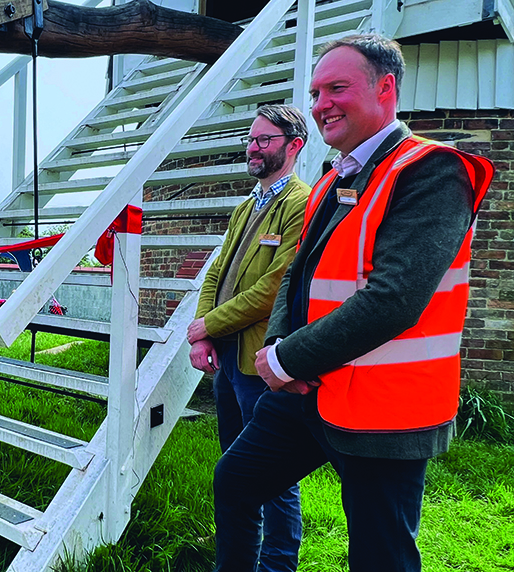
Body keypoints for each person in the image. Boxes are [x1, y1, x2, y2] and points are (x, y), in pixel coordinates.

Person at [212, 35, 494, 572]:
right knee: (237, 480)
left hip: (385, 407)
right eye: (316, 92)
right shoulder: (330, 177)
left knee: (379, 552)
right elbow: (298, 275)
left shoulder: (433, 171)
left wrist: (286, 358)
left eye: (336, 88)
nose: (321, 104)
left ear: (385, 88)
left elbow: (394, 300)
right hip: (310, 391)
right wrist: (278, 346)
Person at [187, 104, 310, 572]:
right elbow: (217, 272)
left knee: (274, 475)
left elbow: (275, 287)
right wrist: (202, 334)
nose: (253, 148)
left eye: (264, 140)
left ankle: (278, 565)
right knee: (238, 471)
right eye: (251, 140)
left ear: (293, 145)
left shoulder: (302, 203)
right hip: (228, 361)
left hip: (262, 363)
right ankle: (242, 556)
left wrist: (209, 325)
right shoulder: (247, 205)